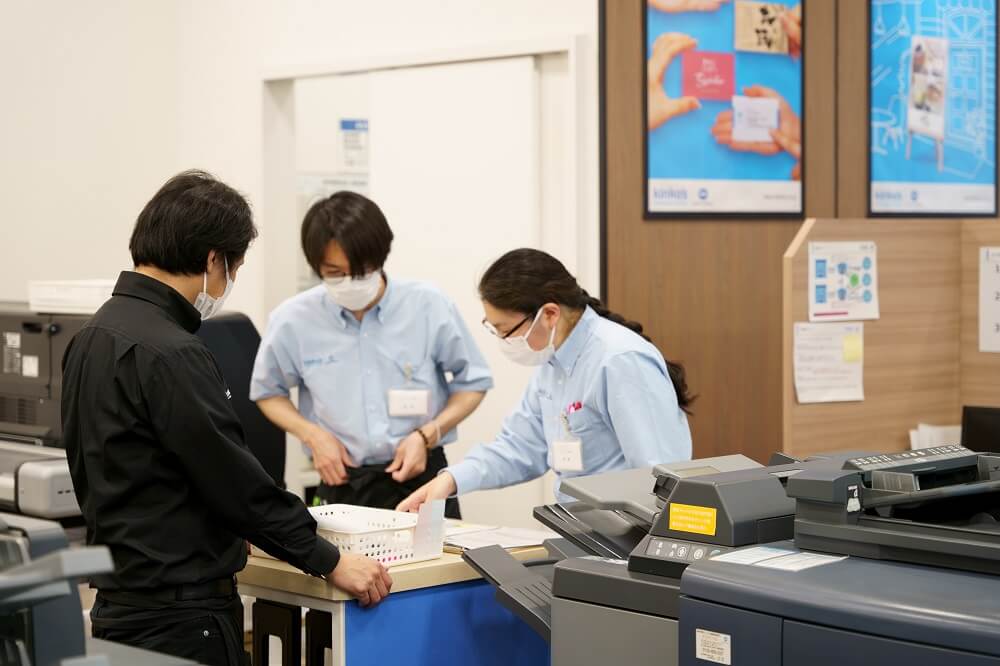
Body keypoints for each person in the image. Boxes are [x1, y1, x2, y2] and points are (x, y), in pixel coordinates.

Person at [61, 171, 391, 666]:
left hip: (117, 609)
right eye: (232, 268)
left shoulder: (89, 338)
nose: (228, 283)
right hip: (182, 620)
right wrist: (330, 560)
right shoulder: (174, 353)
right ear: (213, 259)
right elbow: (233, 482)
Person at [251, 191, 492, 519]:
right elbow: (268, 393)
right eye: (335, 272)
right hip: (342, 481)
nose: (350, 282)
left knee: (442, 570)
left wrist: (428, 434)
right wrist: (312, 435)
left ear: (381, 257)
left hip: (422, 479)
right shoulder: (293, 319)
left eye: (362, 271)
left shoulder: (427, 305)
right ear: (316, 267)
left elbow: (474, 382)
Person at [397, 249, 693, 512]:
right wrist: (451, 480)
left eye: (505, 330)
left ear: (549, 314)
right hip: (582, 531)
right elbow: (520, 448)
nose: (503, 341)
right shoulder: (551, 363)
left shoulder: (619, 360)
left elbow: (661, 476)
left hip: (628, 538)